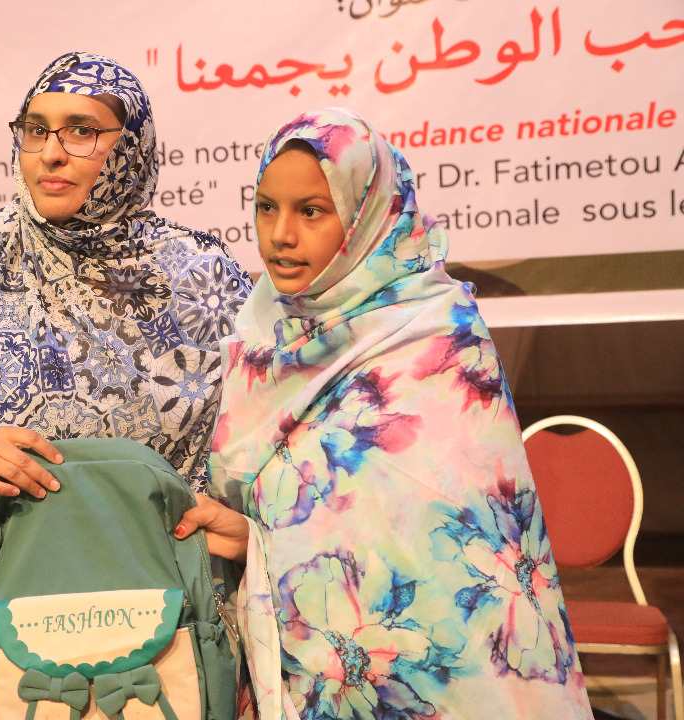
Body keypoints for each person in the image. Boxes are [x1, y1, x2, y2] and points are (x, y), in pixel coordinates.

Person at [0, 51, 251, 719]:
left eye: (82, 130)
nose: (51, 153)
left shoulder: (199, 275)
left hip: (161, 620)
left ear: (132, 146)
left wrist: (246, 528)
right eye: (36, 130)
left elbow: (259, 436)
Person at [175, 109, 594, 719]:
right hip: (305, 673)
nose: (280, 234)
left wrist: (268, 545)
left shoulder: (436, 338)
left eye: (311, 211)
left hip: (440, 679)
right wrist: (254, 542)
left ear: (368, 216)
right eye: (266, 207)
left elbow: (444, 541)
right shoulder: (263, 332)